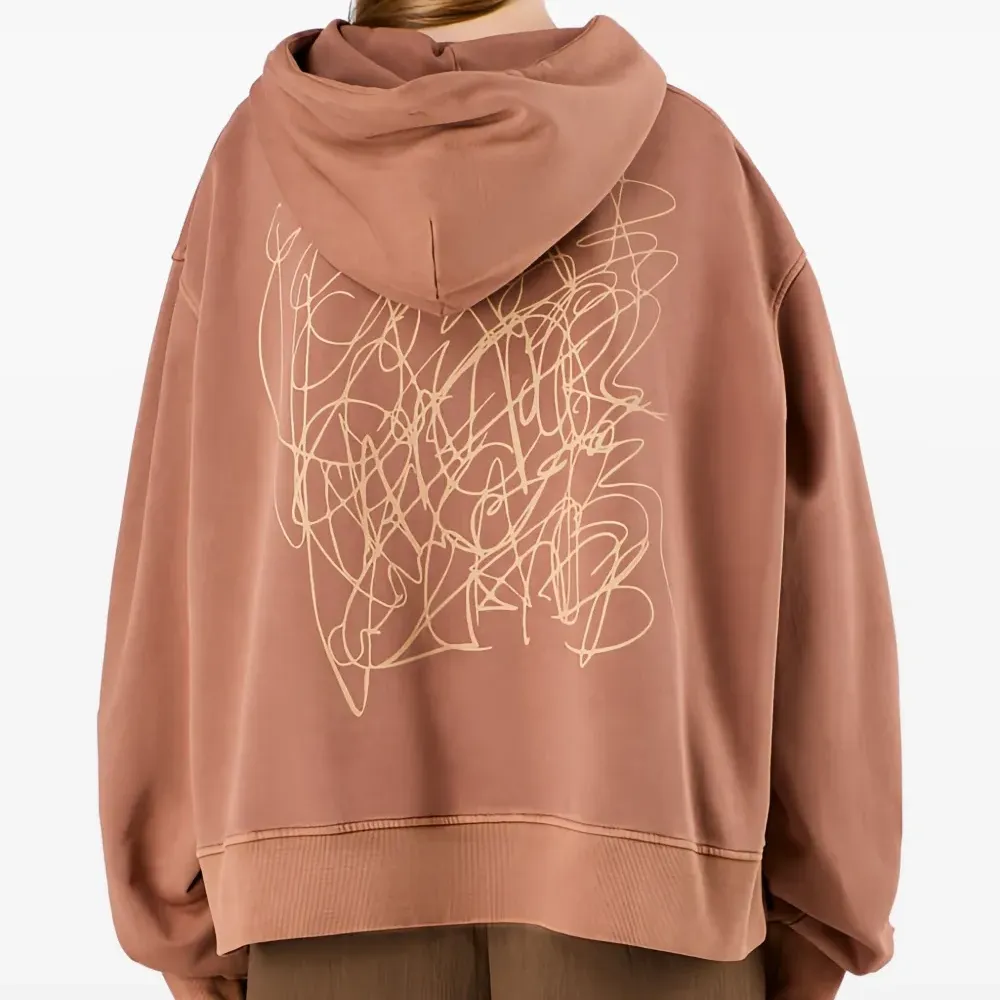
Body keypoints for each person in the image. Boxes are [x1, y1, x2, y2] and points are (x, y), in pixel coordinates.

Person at [96, 0, 902, 997]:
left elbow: (172, 563)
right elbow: (820, 573)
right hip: (654, 914)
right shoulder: (696, 168)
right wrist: (824, 912)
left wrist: (179, 912)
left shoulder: (251, 175)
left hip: (318, 918)